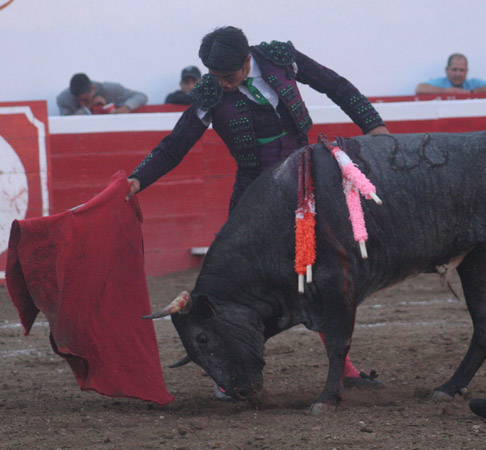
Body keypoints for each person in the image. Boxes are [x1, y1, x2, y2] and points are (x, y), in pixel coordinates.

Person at [126, 26, 388, 398]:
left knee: (324, 274)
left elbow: (336, 85)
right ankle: (227, 374)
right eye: (215, 77)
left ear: (247, 59)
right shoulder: (209, 93)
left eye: (229, 76)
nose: (224, 85)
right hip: (254, 194)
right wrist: (138, 179)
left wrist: (373, 124)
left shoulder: (281, 59)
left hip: (304, 181)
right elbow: (174, 146)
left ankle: (343, 368)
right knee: (234, 288)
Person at [56, 73, 148, 115]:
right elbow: (68, 123)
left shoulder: (110, 90)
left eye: (85, 100)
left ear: (92, 89)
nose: (81, 104)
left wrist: (126, 107)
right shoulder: (64, 99)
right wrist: (88, 107)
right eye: (78, 100)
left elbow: (141, 96)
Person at [416, 53, 486, 94]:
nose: (458, 74)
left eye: (461, 70)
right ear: (447, 70)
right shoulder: (441, 83)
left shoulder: (472, 83)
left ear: (467, 71)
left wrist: (471, 92)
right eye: (454, 69)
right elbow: (419, 88)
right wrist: (445, 91)